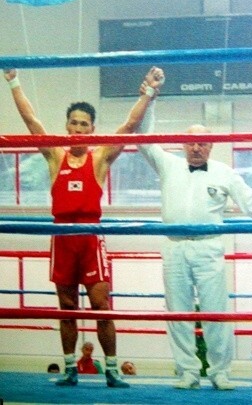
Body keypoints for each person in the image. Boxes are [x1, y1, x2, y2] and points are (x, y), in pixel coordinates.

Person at [3, 66, 165, 388]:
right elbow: (31, 121)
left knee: (101, 305)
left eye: (84, 124)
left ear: (92, 129)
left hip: (91, 239)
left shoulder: (100, 158)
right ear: (67, 126)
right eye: (74, 123)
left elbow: (129, 126)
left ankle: (113, 369)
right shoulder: (55, 156)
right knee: (67, 308)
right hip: (62, 239)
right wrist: (13, 81)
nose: (78, 129)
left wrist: (148, 91)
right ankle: (69, 369)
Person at [137, 96, 252, 391]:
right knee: (178, 313)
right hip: (175, 246)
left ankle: (220, 372)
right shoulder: (168, 164)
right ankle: (188, 371)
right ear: (182, 144)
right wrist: (150, 99)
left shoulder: (224, 172)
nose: (196, 147)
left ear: (211, 145)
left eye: (202, 142)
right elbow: (144, 140)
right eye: (191, 142)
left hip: (209, 246)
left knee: (216, 311)